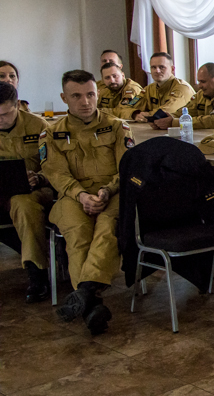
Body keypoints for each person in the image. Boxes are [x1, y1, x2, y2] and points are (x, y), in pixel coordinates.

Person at [41, 70, 132, 336]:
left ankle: (85, 293)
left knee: (106, 229)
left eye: (90, 94)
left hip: (112, 193)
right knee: (78, 234)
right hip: (72, 195)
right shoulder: (52, 134)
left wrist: (106, 191)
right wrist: (81, 195)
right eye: (76, 96)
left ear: (98, 94)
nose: (85, 102)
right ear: (64, 98)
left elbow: (127, 168)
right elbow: (57, 174)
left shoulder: (117, 127)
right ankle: (91, 303)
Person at [0, 82, 53, 302]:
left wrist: (39, 177)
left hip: (34, 190)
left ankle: (37, 273)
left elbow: (56, 165)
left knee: (24, 205)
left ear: (17, 106)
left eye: (4, 114)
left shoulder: (38, 126)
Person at [152, 62, 214, 130]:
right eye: (199, 82)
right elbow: (186, 112)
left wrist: (176, 123)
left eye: (203, 82)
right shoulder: (201, 95)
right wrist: (165, 120)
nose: (199, 86)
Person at [128, 52, 195, 122]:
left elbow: (168, 111)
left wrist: (147, 114)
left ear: (172, 69)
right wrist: (134, 114)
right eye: (153, 67)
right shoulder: (148, 89)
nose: (157, 71)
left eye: (162, 67)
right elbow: (127, 107)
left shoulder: (182, 88)